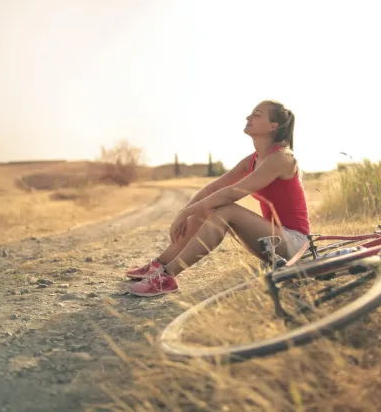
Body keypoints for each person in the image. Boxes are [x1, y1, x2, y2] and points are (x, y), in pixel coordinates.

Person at [126, 100, 310, 296]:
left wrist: (187, 212)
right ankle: (160, 264)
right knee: (207, 206)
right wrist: (185, 212)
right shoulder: (253, 159)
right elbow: (214, 187)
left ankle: (167, 276)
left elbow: (232, 192)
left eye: (257, 115)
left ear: (273, 126)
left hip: (296, 244)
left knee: (226, 209)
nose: (248, 117)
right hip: (271, 242)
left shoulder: (281, 158)